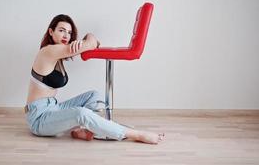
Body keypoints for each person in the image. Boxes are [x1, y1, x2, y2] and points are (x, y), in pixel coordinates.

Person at [25, 14, 164, 144]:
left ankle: (85, 131)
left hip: (54, 107)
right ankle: (136, 135)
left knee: (93, 95)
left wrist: (89, 40)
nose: (66, 35)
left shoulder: (59, 52)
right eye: (61, 30)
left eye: (69, 32)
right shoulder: (48, 51)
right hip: (39, 118)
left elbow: (93, 43)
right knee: (81, 113)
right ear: (51, 32)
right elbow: (91, 44)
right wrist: (90, 38)